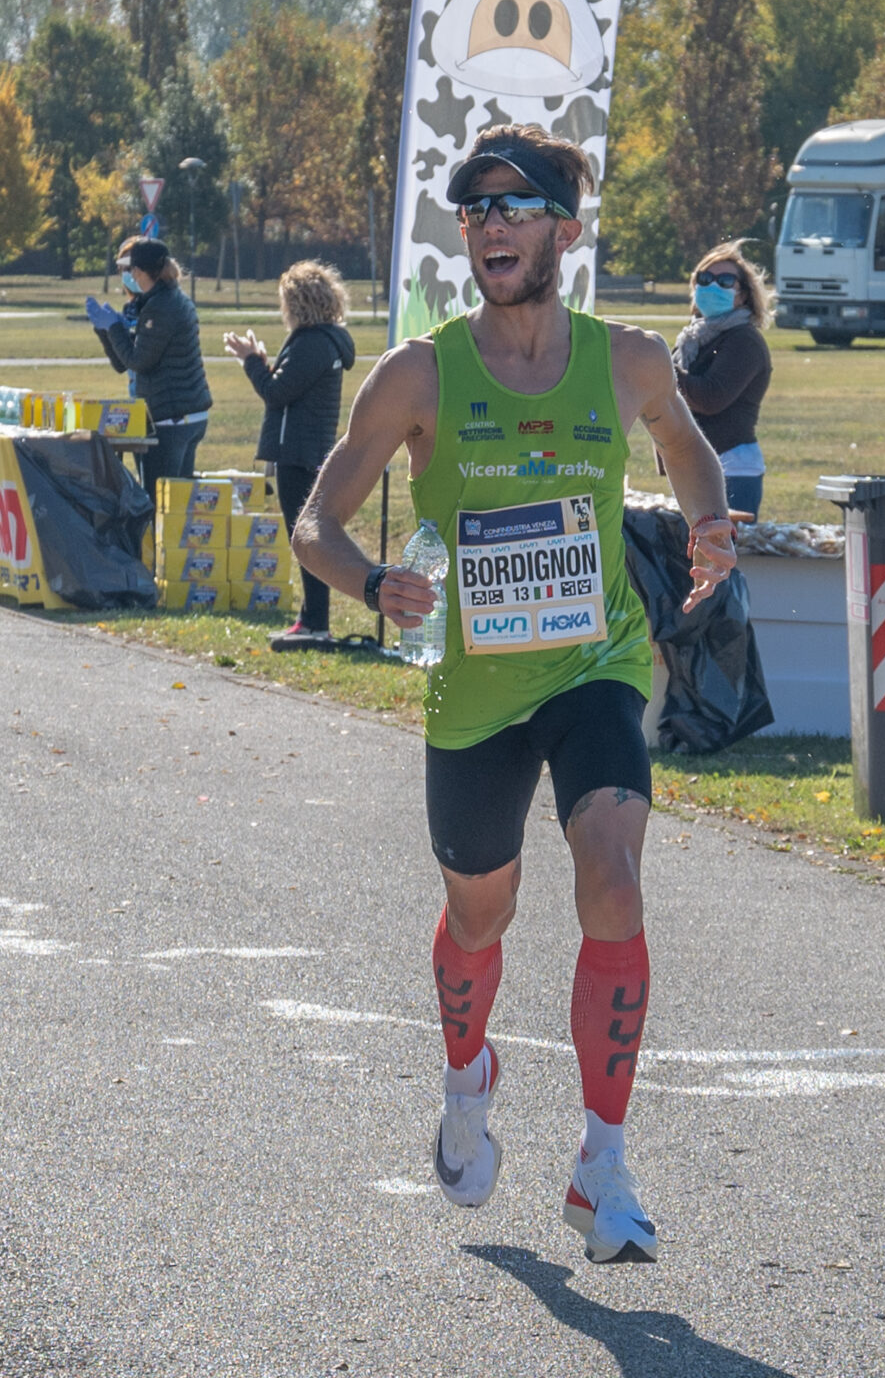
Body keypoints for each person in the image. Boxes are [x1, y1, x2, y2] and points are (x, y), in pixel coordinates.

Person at [294, 123, 736, 1265]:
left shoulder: (628, 359)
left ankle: (602, 1163)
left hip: (595, 662)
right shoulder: (419, 373)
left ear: (564, 232)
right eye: (475, 208)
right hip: (474, 690)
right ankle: (466, 1077)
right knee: (479, 915)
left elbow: (686, 447)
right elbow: (314, 520)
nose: (490, 225)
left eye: (514, 205)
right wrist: (370, 581)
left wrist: (708, 522)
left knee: (615, 879)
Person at [224, 261, 356, 649]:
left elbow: (276, 393)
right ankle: (310, 618)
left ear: (297, 304)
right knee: (306, 539)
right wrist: (264, 363)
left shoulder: (312, 343)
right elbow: (288, 387)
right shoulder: (322, 340)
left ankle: (315, 622)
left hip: (299, 452)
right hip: (305, 448)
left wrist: (251, 361)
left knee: (305, 540)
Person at [86, 237, 211, 486]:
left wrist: (115, 328)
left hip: (172, 418)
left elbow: (139, 361)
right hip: (185, 414)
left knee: (158, 497)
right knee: (175, 498)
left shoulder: (161, 306)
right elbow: (123, 363)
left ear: (140, 271)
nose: (129, 275)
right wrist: (107, 330)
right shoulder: (165, 299)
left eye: (131, 269)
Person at [670, 241, 774, 520]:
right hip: (693, 465)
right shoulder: (691, 338)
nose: (712, 286)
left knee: (724, 547)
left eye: (725, 281)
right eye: (705, 279)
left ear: (743, 295)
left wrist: (661, 368)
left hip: (732, 468)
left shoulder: (744, 341)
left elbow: (710, 397)